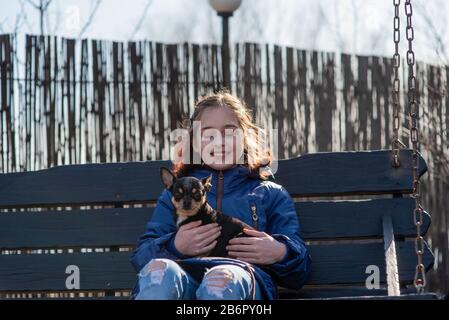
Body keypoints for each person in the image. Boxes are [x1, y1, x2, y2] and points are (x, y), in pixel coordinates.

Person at [130, 91, 311, 300]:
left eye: (230, 131)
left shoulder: (269, 193)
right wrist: (174, 246)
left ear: (245, 137)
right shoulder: (176, 195)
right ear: (194, 141)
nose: (220, 142)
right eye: (208, 134)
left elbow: (300, 272)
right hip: (184, 279)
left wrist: (280, 252)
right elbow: (141, 257)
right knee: (161, 272)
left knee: (221, 280)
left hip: (241, 279)